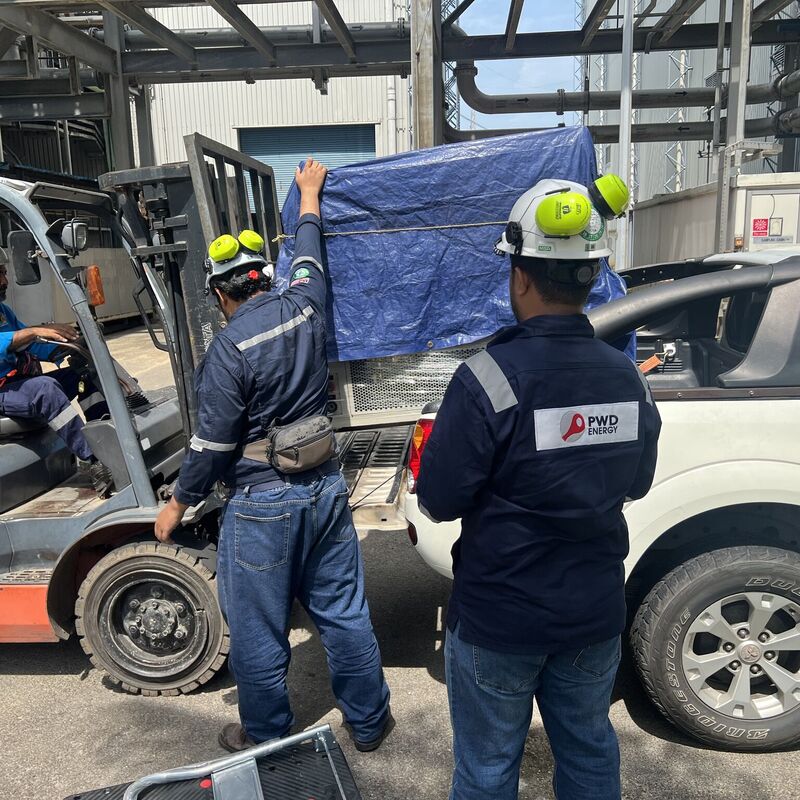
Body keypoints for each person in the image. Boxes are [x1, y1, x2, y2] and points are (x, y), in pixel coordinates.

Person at [416, 175, 662, 800]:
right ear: (593, 274)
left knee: (487, 769)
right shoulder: (628, 379)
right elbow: (637, 482)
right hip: (591, 614)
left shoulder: (486, 380)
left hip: (500, 617)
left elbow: (438, 500)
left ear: (520, 276)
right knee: (588, 751)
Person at [154, 157, 392, 754]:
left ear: (219, 293)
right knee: (343, 612)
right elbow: (311, 254)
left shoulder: (227, 351)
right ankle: (370, 723)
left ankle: (265, 737)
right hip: (326, 486)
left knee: (258, 632)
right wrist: (309, 195)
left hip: (263, 505)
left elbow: (211, 445)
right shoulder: (306, 304)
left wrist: (177, 504)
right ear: (266, 276)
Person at [0, 249, 113, 495]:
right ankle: (93, 461)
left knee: (81, 373)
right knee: (45, 388)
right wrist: (34, 331)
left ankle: (106, 441)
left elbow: (31, 345)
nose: (5, 280)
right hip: (3, 391)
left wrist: (67, 344)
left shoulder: (3, 312)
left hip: (19, 385)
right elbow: (14, 340)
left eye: (5, 273)